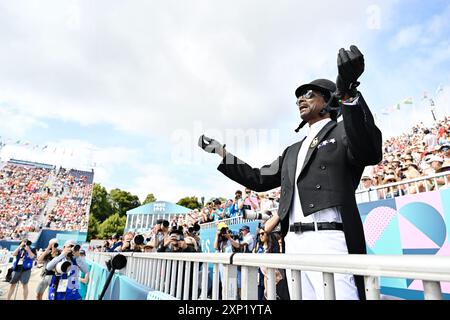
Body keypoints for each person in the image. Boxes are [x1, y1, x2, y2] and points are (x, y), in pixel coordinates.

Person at [198, 45, 382, 300]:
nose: (300, 99)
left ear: (329, 100)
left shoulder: (343, 131)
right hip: (292, 243)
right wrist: (221, 152)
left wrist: (349, 93)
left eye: (309, 94)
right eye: (298, 97)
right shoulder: (291, 151)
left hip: (329, 239)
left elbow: (369, 151)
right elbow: (258, 179)